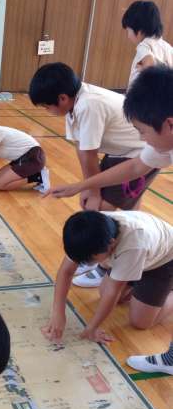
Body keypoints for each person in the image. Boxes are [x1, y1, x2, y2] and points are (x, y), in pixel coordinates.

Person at [44, 65, 173, 375]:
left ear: (169, 124)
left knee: (136, 317)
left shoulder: (132, 241)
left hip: (161, 252)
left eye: (142, 131)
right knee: (109, 290)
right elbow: (134, 168)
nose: (141, 139)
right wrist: (80, 186)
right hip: (148, 248)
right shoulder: (162, 143)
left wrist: (91, 328)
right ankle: (139, 281)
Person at [29, 62, 158, 287]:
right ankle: (124, 254)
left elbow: (89, 154)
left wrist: (94, 193)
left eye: (46, 106)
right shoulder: (75, 104)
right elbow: (82, 149)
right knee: (116, 206)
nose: (47, 111)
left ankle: (103, 264)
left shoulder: (89, 105)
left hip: (139, 153)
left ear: (62, 98)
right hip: (120, 152)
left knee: (102, 209)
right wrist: (88, 188)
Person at [44, 210, 173, 348]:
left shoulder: (134, 243)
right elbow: (66, 272)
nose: (88, 264)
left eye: (91, 260)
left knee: (141, 322)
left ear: (111, 244)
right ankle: (137, 281)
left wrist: (92, 328)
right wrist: (58, 313)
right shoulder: (87, 232)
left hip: (164, 260)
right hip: (139, 254)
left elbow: (113, 291)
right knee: (105, 293)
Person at [122, 0, 173, 87]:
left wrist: (145, 69)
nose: (128, 36)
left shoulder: (144, 46)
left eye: (128, 31)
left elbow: (150, 63)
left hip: (140, 94)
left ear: (140, 31)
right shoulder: (168, 48)